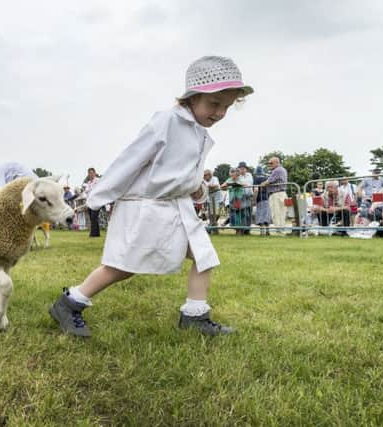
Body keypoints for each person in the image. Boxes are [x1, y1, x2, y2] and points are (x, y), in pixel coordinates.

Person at [49, 56, 253, 337]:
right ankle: (70, 302)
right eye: (214, 104)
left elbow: (188, 172)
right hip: (148, 208)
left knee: (204, 256)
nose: (219, 113)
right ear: (191, 98)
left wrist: (198, 188)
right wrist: (98, 195)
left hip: (178, 207)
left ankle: (195, 315)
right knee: (122, 267)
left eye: (226, 107)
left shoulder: (198, 131)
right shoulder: (168, 121)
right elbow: (132, 158)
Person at [261, 157, 288, 234]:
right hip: (281, 193)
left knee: (276, 213)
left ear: (277, 162)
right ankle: (281, 229)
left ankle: (279, 231)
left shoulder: (277, 170)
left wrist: (262, 184)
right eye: (269, 163)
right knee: (281, 213)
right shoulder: (282, 169)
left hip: (276, 194)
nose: (269, 165)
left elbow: (269, 181)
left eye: (271, 163)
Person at [221, 168, 250, 235]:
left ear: (237, 174)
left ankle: (240, 230)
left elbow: (245, 185)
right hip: (232, 200)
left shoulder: (240, 179)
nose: (232, 176)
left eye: (234, 174)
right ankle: (237, 229)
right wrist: (227, 184)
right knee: (234, 215)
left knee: (240, 215)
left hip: (239, 199)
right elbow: (222, 186)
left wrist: (237, 184)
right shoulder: (229, 180)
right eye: (231, 174)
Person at [252, 166, 271, 235]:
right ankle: (268, 231)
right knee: (266, 215)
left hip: (260, 199)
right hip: (267, 198)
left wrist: (254, 200)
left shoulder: (256, 179)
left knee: (261, 215)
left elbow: (256, 190)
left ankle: (262, 232)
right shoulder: (266, 178)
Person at [83, 167, 101, 237]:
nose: (90, 174)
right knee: (92, 218)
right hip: (90, 202)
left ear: (94, 173)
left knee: (94, 217)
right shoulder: (88, 182)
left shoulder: (98, 180)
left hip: (96, 201)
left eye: (91, 173)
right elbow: (86, 192)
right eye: (89, 173)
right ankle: (97, 233)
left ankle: (92, 234)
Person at [203, 169, 223, 234]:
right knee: (211, 215)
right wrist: (210, 187)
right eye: (203, 176)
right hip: (210, 200)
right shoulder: (203, 181)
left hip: (218, 199)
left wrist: (208, 186)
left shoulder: (215, 178)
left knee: (217, 214)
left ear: (209, 175)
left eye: (205, 176)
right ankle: (214, 230)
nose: (204, 177)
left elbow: (216, 186)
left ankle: (209, 228)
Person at [237, 161, 253, 234]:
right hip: (240, 197)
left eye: (244, 168)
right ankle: (241, 229)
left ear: (246, 169)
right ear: (239, 169)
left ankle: (247, 230)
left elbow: (250, 184)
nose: (242, 170)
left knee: (249, 214)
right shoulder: (237, 176)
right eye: (241, 168)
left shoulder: (249, 175)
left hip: (249, 196)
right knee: (242, 214)